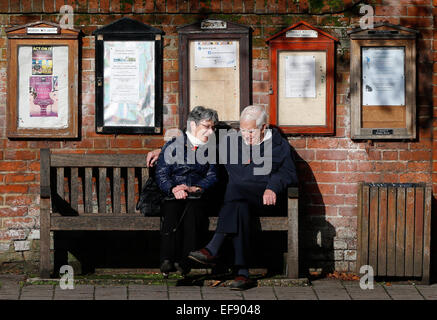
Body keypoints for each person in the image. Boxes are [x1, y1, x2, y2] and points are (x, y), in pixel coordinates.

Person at [187, 105, 298, 290]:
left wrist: (272, 187)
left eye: (251, 130)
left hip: (265, 200)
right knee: (238, 206)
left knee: (235, 190)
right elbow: (199, 145)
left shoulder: (279, 146)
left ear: (264, 128)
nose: (246, 135)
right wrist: (162, 150)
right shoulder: (231, 142)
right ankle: (242, 273)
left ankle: (213, 247)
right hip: (239, 203)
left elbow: (289, 173)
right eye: (243, 130)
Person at [155, 106, 218, 276]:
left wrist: (196, 188)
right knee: (172, 208)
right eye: (206, 126)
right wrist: (173, 188)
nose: (210, 132)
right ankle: (167, 259)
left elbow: (212, 175)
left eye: (213, 127)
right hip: (173, 193)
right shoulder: (173, 146)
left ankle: (185, 261)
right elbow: (161, 173)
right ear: (192, 125)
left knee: (193, 210)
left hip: (197, 195)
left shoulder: (210, 149)